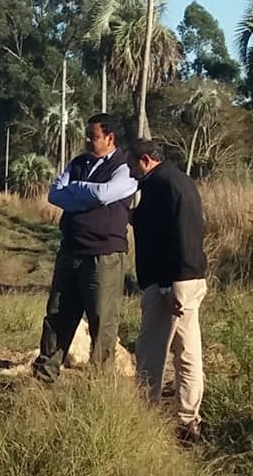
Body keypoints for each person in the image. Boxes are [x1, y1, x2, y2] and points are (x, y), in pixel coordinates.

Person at [32, 113, 137, 382]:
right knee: (57, 314)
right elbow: (55, 194)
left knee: (102, 320)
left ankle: (100, 382)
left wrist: (75, 192)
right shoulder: (78, 162)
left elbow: (105, 194)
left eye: (94, 136)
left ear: (110, 138)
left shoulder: (125, 167)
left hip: (103, 256)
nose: (89, 141)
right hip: (70, 252)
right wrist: (86, 196)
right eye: (88, 136)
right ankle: (45, 374)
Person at [127, 139, 207, 443]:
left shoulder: (164, 184)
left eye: (132, 165)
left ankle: (146, 416)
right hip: (183, 278)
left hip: (171, 282)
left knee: (150, 350)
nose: (131, 172)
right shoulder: (174, 180)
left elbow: (184, 232)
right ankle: (188, 422)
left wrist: (175, 284)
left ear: (145, 160)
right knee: (187, 352)